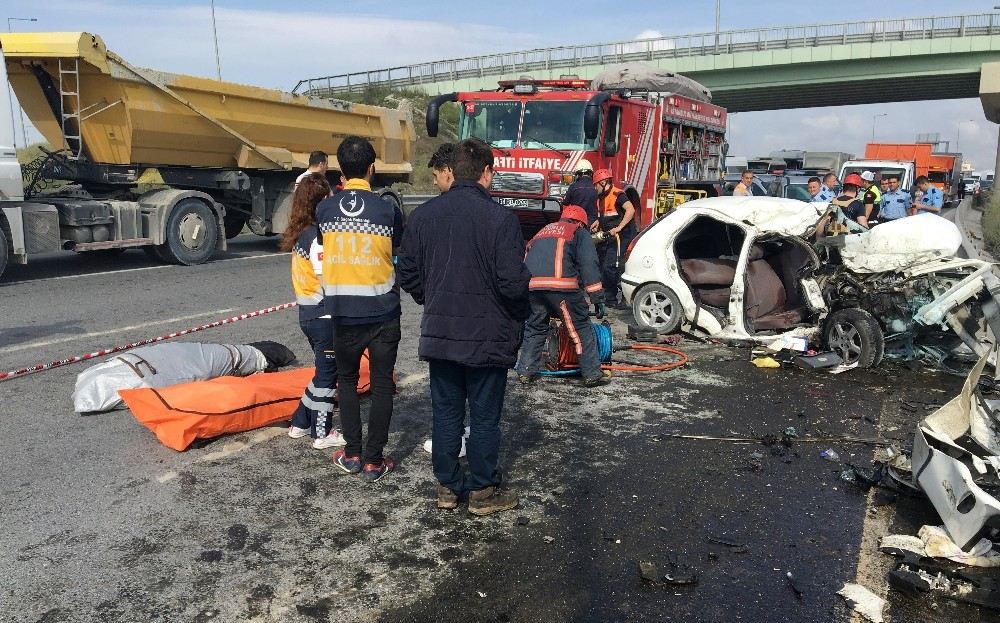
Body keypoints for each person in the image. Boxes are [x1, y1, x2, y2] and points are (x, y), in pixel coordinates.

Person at [397, 137, 530, 516]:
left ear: (452, 172)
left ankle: (447, 487)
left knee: (446, 413)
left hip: (441, 334)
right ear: (487, 173)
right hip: (488, 336)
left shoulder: (423, 216)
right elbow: (511, 282)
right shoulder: (501, 220)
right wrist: (519, 313)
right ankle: (483, 491)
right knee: (485, 416)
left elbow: (406, 270)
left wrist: (431, 297)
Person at [318, 136, 403, 483]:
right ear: (372, 168)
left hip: (343, 313)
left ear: (340, 169)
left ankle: (351, 453)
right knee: (382, 384)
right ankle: (374, 461)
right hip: (382, 311)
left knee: (348, 382)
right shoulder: (387, 210)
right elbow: (398, 247)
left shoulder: (324, 210)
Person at [280, 173, 345, 449]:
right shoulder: (316, 236)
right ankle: (322, 432)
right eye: (329, 197)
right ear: (319, 203)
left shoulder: (299, 233)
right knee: (329, 375)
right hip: (323, 314)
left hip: (307, 313)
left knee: (321, 371)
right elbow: (325, 277)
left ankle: (300, 422)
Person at [516, 204, 609, 388]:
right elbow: (588, 264)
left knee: (535, 328)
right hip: (562, 289)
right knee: (579, 329)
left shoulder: (542, 231)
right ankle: (591, 373)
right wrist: (597, 297)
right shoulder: (578, 232)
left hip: (533, 288)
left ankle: (525, 371)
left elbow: (526, 257)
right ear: (581, 222)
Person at [593, 169, 636, 308]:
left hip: (623, 236)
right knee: (605, 266)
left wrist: (619, 228)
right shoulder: (601, 198)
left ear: (603, 182)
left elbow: (630, 210)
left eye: (596, 185)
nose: (595, 188)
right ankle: (610, 298)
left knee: (614, 266)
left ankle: (623, 298)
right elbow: (606, 215)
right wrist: (598, 222)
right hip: (610, 236)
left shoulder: (618, 194)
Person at [562, 157, 600, 230]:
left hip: (576, 221)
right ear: (591, 173)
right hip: (592, 223)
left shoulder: (573, 187)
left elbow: (565, 202)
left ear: (577, 174)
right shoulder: (596, 186)